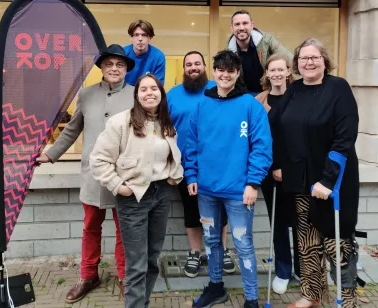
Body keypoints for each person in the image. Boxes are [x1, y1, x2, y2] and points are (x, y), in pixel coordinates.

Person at [36, 44, 135, 304]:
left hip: (124, 177)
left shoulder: (136, 95)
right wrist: (50, 154)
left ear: (126, 69)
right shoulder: (87, 94)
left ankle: (124, 276)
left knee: (125, 230)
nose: (114, 69)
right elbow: (72, 129)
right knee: (90, 228)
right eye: (109, 64)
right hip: (93, 175)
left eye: (120, 65)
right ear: (101, 67)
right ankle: (88, 275)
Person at [271, 38, 360, 308]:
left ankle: (348, 300)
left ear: (324, 61)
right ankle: (312, 294)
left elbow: (345, 137)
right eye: (303, 59)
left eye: (314, 58)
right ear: (296, 64)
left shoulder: (338, 88)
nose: (308, 63)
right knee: (307, 241)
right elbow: (275, 124)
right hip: (300, 181)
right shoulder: (294, 89)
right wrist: (277, 163)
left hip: (332, 183)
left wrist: (328, 180)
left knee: (337, 244)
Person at [184, 50, 272, 308]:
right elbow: (190, 144)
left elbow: (262, 147)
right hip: (207, 190)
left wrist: (253, 183)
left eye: (230, 70)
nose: (225, 74)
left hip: (239, 191)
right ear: (214, 71)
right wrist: (191, 174)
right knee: (211, 240)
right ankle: (215, 287)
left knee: (243, 244)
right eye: (220, 69)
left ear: (237, 74)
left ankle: (251, 299)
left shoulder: (250, 106)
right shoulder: (201, 105)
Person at [90, 74, 183, 308]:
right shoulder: (121, 123)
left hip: (160, 195)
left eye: (154, 88)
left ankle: (143, 303)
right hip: (133, 198)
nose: (149, 92)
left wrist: (174, 175)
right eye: (144, 89)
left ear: (161, 94)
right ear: (137, 95)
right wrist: (117, 186)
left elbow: (172, 156)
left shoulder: (166, 123)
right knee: (136, 265)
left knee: (152, 261)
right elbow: (99, 160)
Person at [167, 51, 235, 278]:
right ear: (183, 69)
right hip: (185, 165)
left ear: (206, 66)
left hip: (217, 164)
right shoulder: (173, 95)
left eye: (197, 63)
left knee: (221, 210)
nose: (193, 67)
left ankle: (222, 250)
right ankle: (195, 252)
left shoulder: (221, 89)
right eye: (189, 64)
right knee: (191, 210)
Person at [255, 53, 300, 294]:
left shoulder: (299, 95)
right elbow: (258, 138)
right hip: (269, 172)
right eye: (272, 70)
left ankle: (305, 269)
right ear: (267, 74)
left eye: (281, 69)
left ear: (288, 71)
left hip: (298, 170)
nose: (276, 74)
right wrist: (272, 167)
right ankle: (283, 270)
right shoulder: (259, 100)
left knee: (303, 221)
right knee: (279, 222)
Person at [226, 9, 293, 95]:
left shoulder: (267, 41)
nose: (241, 28)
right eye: (237, 24)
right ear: (231, 28)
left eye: (245, 23)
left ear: (252, 25)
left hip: (269, 92)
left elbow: (290, 60)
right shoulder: (228, 51)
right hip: (244, 96)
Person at [124, 19, 166, 86]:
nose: (140, 39)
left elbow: (158, 86)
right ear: (131, 37)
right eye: (136, 35)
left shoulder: (158, 56)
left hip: (147, 94)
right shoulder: (123, 53)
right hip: (125, 94)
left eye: (144, 35)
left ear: (150, 38)